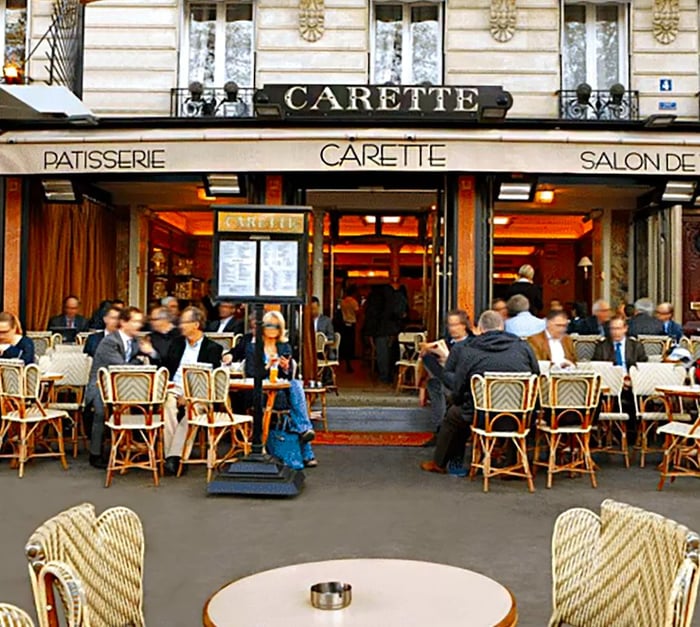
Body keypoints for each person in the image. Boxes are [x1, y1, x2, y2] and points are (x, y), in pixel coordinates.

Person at [421, 310, 539, 474]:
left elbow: (459, 385)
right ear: (502, 326)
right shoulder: (523, 347)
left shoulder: (469, 351)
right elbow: (536, 376)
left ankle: (440, 463)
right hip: (518, 415)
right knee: (520, 417)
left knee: (453, 416)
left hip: (480, 415)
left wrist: (457, 400)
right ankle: (513, 464)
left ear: (481, 329)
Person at [83, 307, 156, 469]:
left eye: (140, 321)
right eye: (135, 321)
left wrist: (150, 354)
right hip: (101, 385)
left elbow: (148, 359)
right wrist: (139, 360)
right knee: (101, 411)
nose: (139, 325)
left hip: (124, 386)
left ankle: (134, 445)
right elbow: (123, 368)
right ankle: (95, 454)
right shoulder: (110, 341)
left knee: (146, 405)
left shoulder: (136, 341)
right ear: (123, 322)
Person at [244, 311, 316, 467]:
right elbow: (251, 373)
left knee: (294, 385)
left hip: (280, 390)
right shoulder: (253, 347)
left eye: (276, 326)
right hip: (260, 391)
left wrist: (286, 367)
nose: (272, 329)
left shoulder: (284, 346)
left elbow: (287, 376)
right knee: (293, 391)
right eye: (269, 325)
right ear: (263, 326)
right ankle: (306, 440)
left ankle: (304, 433)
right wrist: (268, 366)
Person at [159, 307, 224, 476]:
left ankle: (173, 457)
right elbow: (166, 368)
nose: (180, 325)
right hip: (175, 388)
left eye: (184, 322)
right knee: (168, 407)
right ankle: (175, 456)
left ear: (196, 324)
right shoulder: (176, 343)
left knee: (192, 413)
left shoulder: (213, 348)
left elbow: (210, 380)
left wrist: (190, 397)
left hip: (200, 392)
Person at [420, 309, 471, 433]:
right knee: (433, 380)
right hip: (445, 380)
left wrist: (448, 359)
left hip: (464, 382)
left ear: (464, 325)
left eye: (455, 325)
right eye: (450, 325)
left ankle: (440, 430)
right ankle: (440, 428)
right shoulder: (445, 342)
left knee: (437, 385)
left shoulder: (472, 343)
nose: (452, 328)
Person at [339, 286, 360, 373]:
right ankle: (349, 360)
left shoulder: (343, 302)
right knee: (350, 343)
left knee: (345, 343)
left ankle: (345, 358)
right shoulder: (353, 302)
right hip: (351, 323)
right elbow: (357, 311)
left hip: (344, 324)